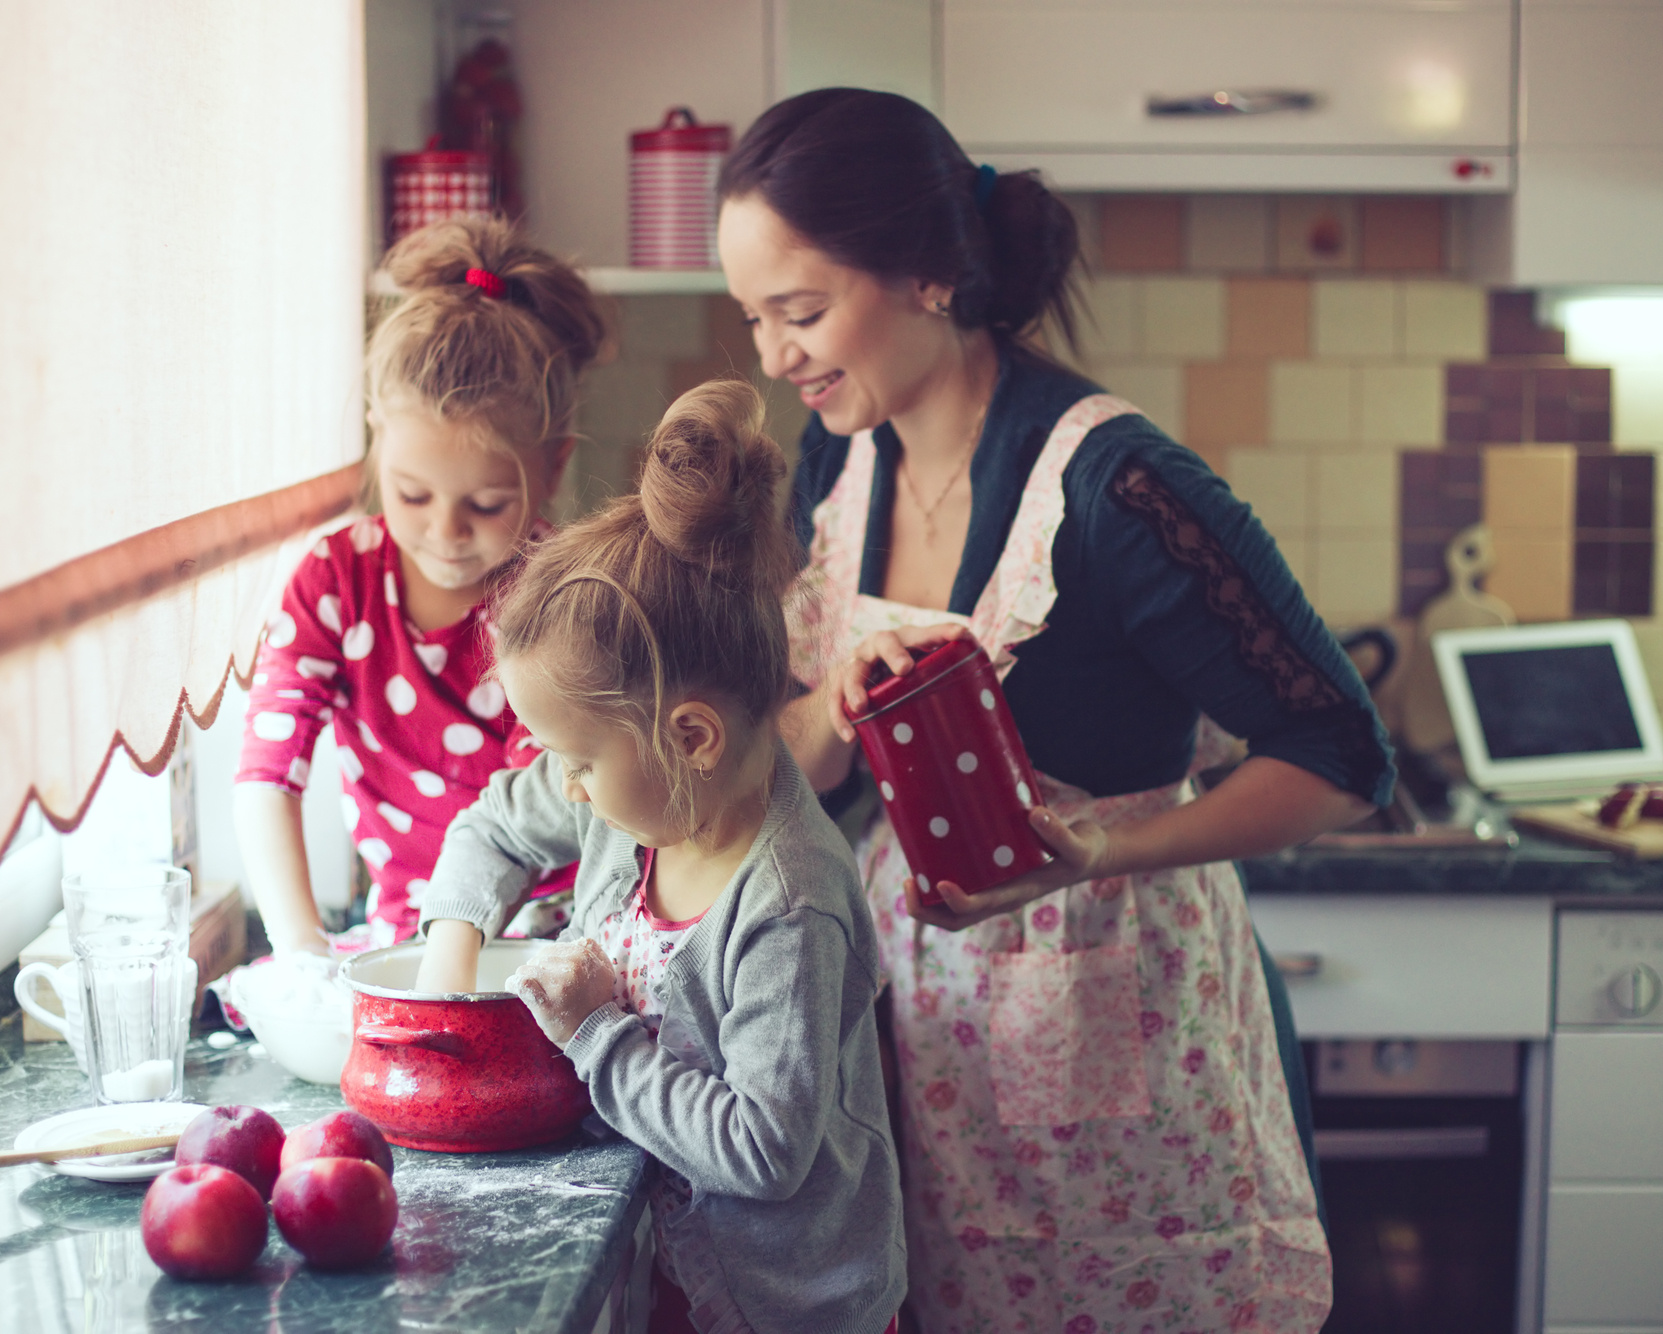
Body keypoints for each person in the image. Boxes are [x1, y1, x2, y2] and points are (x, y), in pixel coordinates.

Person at [717, 88, 1397, 1332]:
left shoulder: (1117, 485)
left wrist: (1098, 850)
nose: (773, 357)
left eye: (801, 313)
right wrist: (833, 715)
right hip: (916, 1041)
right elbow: (807, 760)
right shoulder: (838, 458)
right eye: (753, 318)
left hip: (1119, 1031)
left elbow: (1344, 758)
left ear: (926, 275)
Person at [411, 381, 907, 1334]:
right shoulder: (633, 805)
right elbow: (493, 826)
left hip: (789, 1308)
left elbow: (764, 1149)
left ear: (691, 737)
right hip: (675, 1269)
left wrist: (598, 1035)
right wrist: (450, 957)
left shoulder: (788, 905)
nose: (563, 785)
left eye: (578, 758)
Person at [234, 216, 601, 958]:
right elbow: (266, 777)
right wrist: (302, 954)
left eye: (487, 504)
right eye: (411, 494)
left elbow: (528, 819)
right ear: (378, 441)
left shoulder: (563, 595)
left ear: (554, 466)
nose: (445, 531)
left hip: (554, 942)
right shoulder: (335, 580)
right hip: (405, 942)